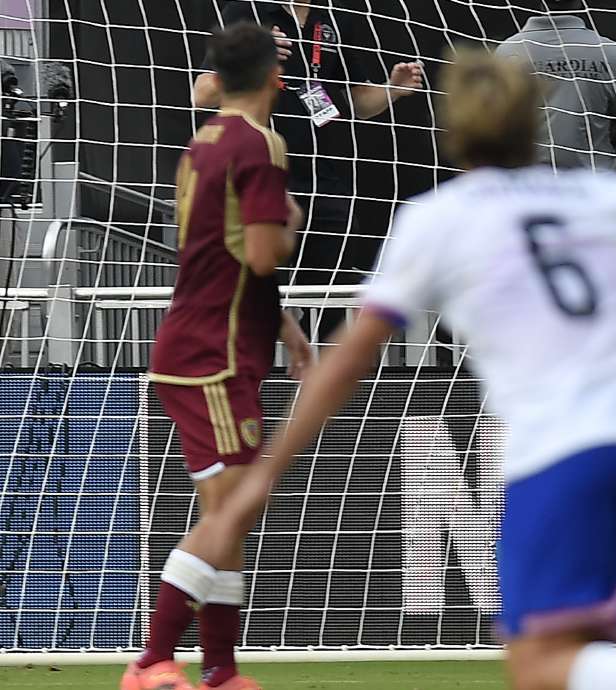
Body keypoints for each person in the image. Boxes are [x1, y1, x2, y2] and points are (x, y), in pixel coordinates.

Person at [177, 48, 616, 689]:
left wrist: (268, 469)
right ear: (532, 124)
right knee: (583, 649)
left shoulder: (439, 219)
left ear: (452, 131)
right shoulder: (586, 194)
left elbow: (352, 355)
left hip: (559, 452)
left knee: (541, 663)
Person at [122, 22, 312, 690]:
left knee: (223, 515)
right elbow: (260, 254)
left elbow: (221, 254)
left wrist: (284, 325)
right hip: (215, 356)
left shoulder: (203, 142)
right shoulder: (261, 145)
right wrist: (288, 225)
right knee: (233, 511)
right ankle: (151, 661)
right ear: (275, 79)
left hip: (197, 342)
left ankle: (221, 671)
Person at [194, 0, 425, 341]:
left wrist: (393, 90)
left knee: (332, 296)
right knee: (250, 290)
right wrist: (253, 56)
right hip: (259, 175)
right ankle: (248, 378)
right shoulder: (246, 12)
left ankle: (316, 381)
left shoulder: (333, 19)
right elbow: (202, 94)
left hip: (324, 179)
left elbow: (353, 101)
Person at [497, 0, 616, 172]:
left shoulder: (507, 52)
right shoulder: (611, 52)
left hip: (527, 184)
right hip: (593, 183)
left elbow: (498, 122)